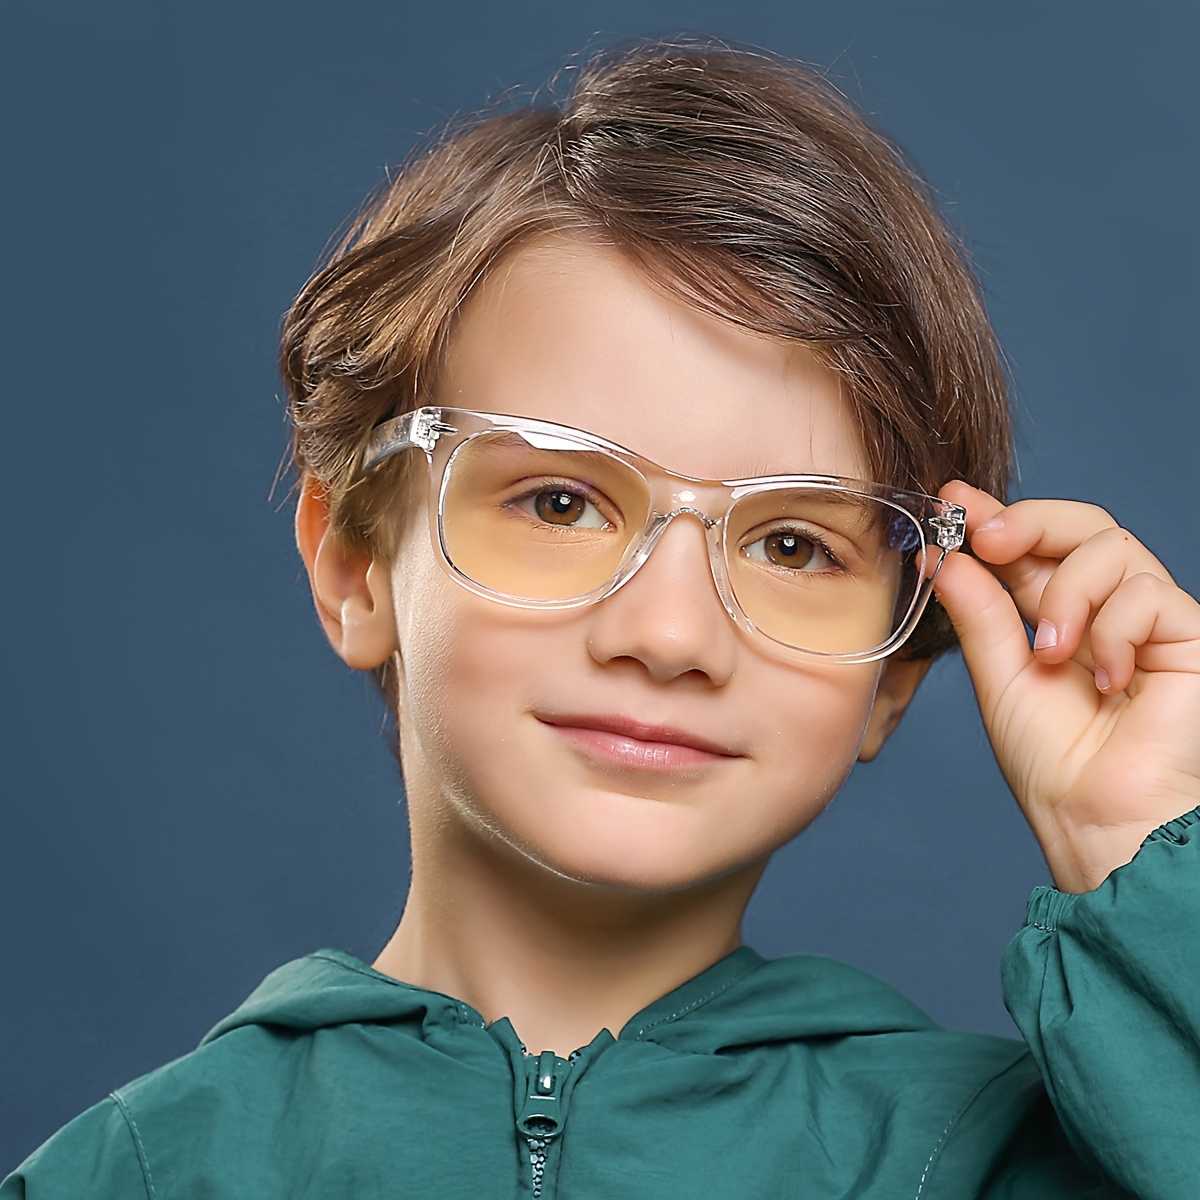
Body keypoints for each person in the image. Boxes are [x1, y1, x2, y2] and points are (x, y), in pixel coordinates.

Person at [4, 40, 1197, 1200]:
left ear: (896, 671)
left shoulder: (1002, 1166)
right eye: (562, 501)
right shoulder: (142, 1173)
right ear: (357, 563)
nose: (670, 636)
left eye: (794, 544)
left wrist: (1146, 851)